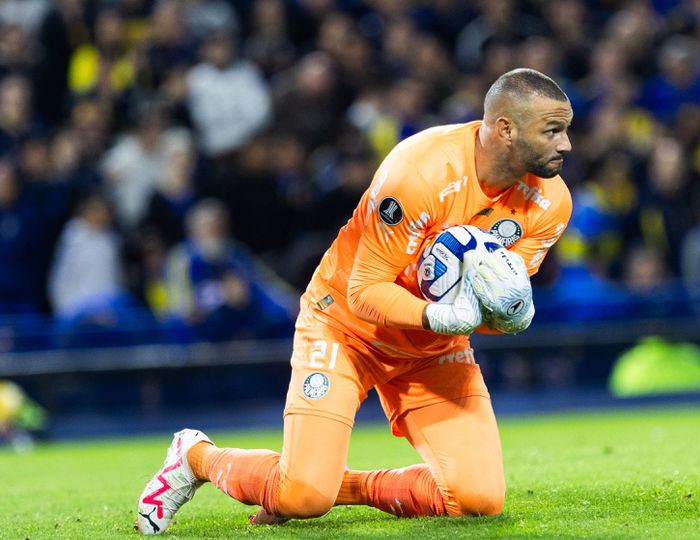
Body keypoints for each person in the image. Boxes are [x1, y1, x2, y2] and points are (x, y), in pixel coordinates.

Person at [136, 68, 574, 534]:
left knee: (477, 499)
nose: (566, 145)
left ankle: (328, 486)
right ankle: (196, 456)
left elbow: (487, 308)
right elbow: (364, 291)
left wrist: (508, 317)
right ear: (505, 129)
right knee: (302, 498)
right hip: (345, 327)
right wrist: (439, 315)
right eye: (553, 130)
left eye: (566, 130)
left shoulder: (551, 203)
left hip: (431, 346)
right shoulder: (419, 170)